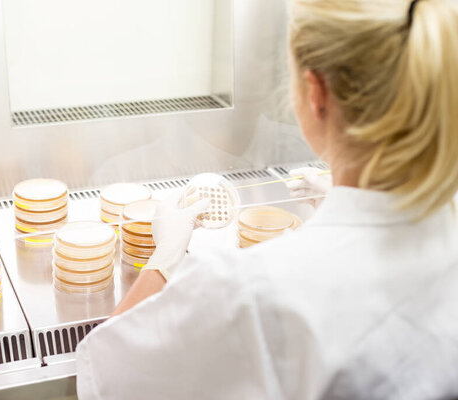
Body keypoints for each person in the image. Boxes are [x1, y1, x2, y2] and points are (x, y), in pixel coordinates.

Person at [76, 0, 458, 398]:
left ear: (316, 92)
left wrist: (162, 264)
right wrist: (344, 206)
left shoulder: (247, 291)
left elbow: (107, 377)